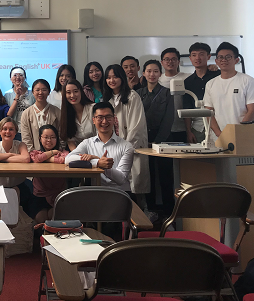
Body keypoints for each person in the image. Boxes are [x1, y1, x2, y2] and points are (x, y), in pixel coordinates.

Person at [102, 64, 149, 198]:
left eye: (115, 77)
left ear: (122, 78)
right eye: (108, 77)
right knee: (116, 190)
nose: (112, 80)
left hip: (130, 147)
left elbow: (136, 127)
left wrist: (124, 149)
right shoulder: (107, 99)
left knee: (133, 190)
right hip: (113, 148)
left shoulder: (132, 96)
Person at [136, 60, 175, 216]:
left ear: (160, 73)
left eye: (155, 71)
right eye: (149, 71)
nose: (152, 74)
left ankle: (169, 213)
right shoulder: (138, 93)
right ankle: (151, 209)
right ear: (144, 73)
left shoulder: (167, 93)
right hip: (143, 138)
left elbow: (168, 119)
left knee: (165, 176)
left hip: (162, 139)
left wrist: (157, 140)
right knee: (148, 175)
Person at [65, 103, 133, 191]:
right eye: (100, 117)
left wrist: (104, 167)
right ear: (93, 120)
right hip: (95, 192)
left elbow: (121, 179)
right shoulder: (87, 143)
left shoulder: (127, 146)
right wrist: (96, 162)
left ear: (114, 119)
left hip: (119, 193)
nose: (104, 121)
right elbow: (68, 159)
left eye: (108, 117)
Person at [204, 42, 254, 137]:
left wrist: (238, 131)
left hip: (242, 135)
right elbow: (209, 113)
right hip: (218, 137)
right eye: (220, 57)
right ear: (216, 61)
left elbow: (252, 111)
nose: (224, 60)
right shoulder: (210, 84)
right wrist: (219, 134)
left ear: (236, 60)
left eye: (228, 57)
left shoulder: (247, 81)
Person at [0, 117, 33, 213]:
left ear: (15, 132)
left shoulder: (21, 145)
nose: (8, 132)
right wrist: (10, 155)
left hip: (19, 185)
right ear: (0, 131)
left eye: (11, 129)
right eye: (4, 129)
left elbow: (26, 158)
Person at [29, 124, 69, 223]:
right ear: (40, 138)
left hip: (58, 193)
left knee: (53, 217)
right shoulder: (35, 152)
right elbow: (37, 158)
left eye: (52, 137)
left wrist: (45, 159)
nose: (49, 140)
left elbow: (62, 160)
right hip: (40, 194)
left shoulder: (64, 152)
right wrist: (53, 152)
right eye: (46, 137)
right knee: (41, 218)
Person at [183, 42, 221, 143]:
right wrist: (188, 131)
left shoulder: (219, 76)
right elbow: (187, 108)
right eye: (194, 55)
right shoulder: (188, 82)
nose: (197, 58)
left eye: (201, 54)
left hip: (219, 124)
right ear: (190, 58)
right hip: (198, 128)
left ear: (208, 56)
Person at [159, 47, 191, 142]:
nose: (170, 62)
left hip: (183, 126)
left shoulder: (187, 77)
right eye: (167, 59)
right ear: (162, 62)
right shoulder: (158, 79)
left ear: (178, 62)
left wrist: (211, 67)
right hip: (163, 128)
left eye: (174, 59)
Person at [20, 79, 61, 152]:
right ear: (33, 92)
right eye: (37, 90)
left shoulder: (57, 111)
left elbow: (61, 134)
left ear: (49, 92)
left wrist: (58, 151)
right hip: (34, 154)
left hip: (55, 154)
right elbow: (26, 138)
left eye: (44, 90)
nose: (40, 93)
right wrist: (34, 154)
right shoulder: (26, 113)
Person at [59, 79, 94, 151]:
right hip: (79, 152)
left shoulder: (93, 109)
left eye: (75, 91)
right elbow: (70, 142)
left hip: (97, 150)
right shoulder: (66, 114)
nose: (72, 95)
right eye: (68, 92)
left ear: (81, 91)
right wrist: (79, 155)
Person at [4, 67, 35, 139]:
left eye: (20, 75)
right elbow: (8, 114)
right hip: (13, 130)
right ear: (11, 79)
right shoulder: (7, 95)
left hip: (29, 130)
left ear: (25, 78)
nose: (18, 77)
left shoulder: (32, 94)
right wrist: (17, 96)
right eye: (15, 75)